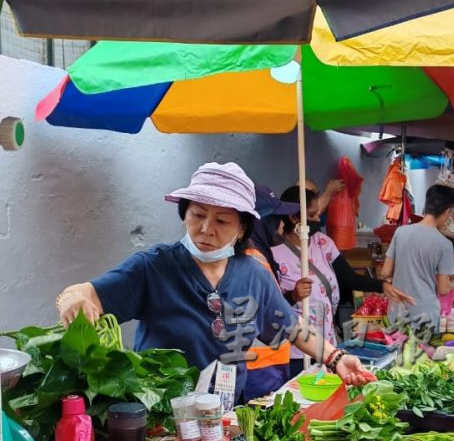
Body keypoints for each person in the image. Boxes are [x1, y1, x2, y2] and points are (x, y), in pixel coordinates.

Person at [55, 162, 371, 402]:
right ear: (184, 215)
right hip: (160, 419)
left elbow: (291, 326)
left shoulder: (253, 275)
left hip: (223, 421)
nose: (206, 229)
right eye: (197, 215)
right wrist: (71, 296)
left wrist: (337, 357)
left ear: (241, 229)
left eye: (221, 220)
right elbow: (89, 293)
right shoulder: (154, 267)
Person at [272, 186, 411, 377]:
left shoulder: (323, 243)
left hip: (327, 342)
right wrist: (293, 295)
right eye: (311, 215)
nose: (316, 220)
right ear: (294, 218)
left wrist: (382, 286)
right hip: (295, 351)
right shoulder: (275, 254)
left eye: (317, 213)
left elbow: (349, 278)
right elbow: (271, 308)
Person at [241, 186, 301, 399]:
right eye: (279, 218)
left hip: (265, 366)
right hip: (258, 370)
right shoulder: (252, 262)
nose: (284, 225)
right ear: (262, 221)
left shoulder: (259, 256)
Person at [379, 184, 454, 335]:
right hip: (425, 315)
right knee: (423, 358)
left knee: (397, 357)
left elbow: (385, 272)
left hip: (398, 312)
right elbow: (443, 289)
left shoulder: (401, 232)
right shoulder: (445, 244)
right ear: (447, 211)